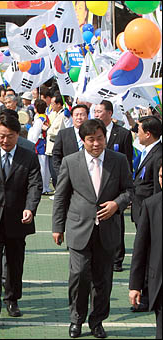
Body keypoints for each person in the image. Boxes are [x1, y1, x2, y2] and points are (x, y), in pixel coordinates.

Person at [52, 119, 134, 339]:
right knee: (79, 276)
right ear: (83, 141)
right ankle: (76, 320)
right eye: (91, 140)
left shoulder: (119, 160)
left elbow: (129, 190)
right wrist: (57, 227)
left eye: (100, 138)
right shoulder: (71, 162)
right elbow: (60, 196)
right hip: (79, 228)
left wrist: (117, 203)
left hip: (107, 231)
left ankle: (97, 321)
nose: (96, 144)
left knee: (103, 279)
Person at [0, 114, 42, 326]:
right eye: (1, 136)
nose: (5, 141)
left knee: (14, 263)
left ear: (17, 136)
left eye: (10, 136)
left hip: (17, 219)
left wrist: (30, 209)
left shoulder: (28, 156)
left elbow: (34, 185)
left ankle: (12, 299)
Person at [93, 100, 134, 272]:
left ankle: (118, 258)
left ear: (110, 113)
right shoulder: (92, 132)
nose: (96, 114)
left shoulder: (122, 133)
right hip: (97, 181)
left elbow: (128, 160)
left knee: (117, 221)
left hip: (116, 184)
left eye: (99, 111)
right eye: (94, 111)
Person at [130, 115, 162, 312]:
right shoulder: (147, 152)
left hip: (150, 214)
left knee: (151, 254)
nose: (137, 134)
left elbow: (157, 191)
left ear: (148, 134)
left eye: (139, 130)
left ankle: (149, 295)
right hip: (142, 212)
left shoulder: (158, 155)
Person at [129, 162, 162, 339]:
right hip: (160, 284)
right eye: (161, 177)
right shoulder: (151, 205)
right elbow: (140, 248)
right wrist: (135, 286)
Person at [52, 104, 89, 177]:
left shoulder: (92, 133)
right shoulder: (63, 134)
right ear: (72, 117)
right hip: (69, 174)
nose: (79, 117)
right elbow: (56, 155)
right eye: (76, 115)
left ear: (87, 116)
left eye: (82, 115)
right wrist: (61, 174)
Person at [27, 99, 53, 194]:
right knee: (46, 167)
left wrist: (30, 129)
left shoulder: (39, 120)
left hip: (39, 143)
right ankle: (45, 186)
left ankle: (42, 187)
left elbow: (35, 135)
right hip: (45, 143)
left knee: (42, 166)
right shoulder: (46, 117)